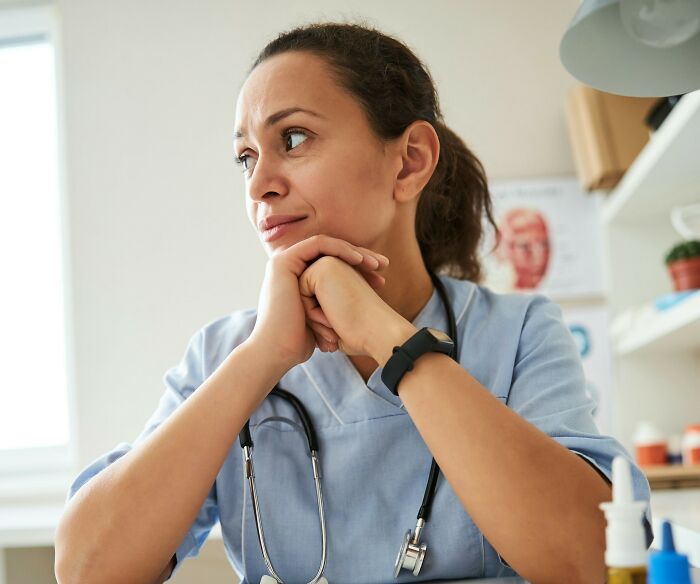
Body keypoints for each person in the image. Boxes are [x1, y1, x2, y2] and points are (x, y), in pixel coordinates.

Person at [55, 22, 652, 584]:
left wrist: (390, 338)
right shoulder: (222, 355)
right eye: (246, 157)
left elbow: (591, 559)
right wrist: (262, 356)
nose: (259, 182)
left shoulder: (517, 332)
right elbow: (86, 570)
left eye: (292, 139)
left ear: (410, 160)